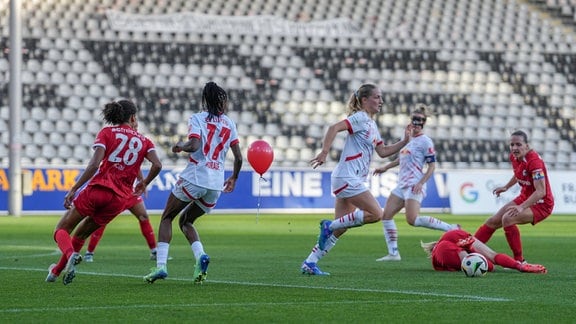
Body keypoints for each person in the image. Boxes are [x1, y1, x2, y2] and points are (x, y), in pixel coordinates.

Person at [45, 99, 162, 285]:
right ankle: (56, 271)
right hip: (119, 199)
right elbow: (157, 165)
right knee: (81, 235)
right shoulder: (144, 141)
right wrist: (144, 182)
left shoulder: (107, 132)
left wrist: (74, 188)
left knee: (61, 230)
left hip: (98, 189)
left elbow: (94, 165)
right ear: (133, 118)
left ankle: (70, 255)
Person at [301, 83, 411, 276]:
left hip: (348, 178)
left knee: (341, 227)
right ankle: (329, 226)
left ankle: (310, 262)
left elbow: (383, 151)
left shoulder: (371, 124)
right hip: (348, 177)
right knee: (377, 214)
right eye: (377, 97)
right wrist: (325, 152)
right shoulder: (359, 118)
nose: (381, 101)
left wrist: (404, 142)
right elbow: (334, 127)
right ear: (364, 100)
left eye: (381, 97)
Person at [144, 81, 242, 284]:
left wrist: (182, 145)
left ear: (206, 100)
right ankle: (200, 257)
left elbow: (195, 143)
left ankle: (161, 266)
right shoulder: (230, 124)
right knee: (186, 221)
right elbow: (239, 158)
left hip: (196, 177)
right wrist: (233, 178)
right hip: (216, 184)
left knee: (167, 217)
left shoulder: (197, 118)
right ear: (221, 102)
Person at [374, 104, 459, 262]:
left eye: (421, 120)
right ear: (410, 120)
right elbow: (402, 158)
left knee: (412, 220)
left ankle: (451, 228)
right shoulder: (407, 139)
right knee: (386, 216)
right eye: (415, 119)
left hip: (414, 184)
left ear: (424, 123)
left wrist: (421, 182)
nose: (417, 122)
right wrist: (385, 167)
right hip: (402, 185)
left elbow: (432, 166)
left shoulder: (426, 142)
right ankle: (393, 253)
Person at [474, 130, 554, 262]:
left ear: (527, 146)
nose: (514, 148)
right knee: (492, 221)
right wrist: (506, 187)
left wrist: (521, 207)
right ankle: (469, 249)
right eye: (512, 145)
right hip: (525, 197)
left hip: (541, 204)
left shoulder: (534, 162)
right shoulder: (515, 157)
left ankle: (519, 260)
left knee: (507, 219)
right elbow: (519, 173)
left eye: (518, 144)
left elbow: (541, 191)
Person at [420, 228, 547, 273]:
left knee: (489, 267)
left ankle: (471, 251)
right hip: (456, 233)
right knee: (492, 256)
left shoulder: (439, 254)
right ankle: (520, 266)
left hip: (446, 248)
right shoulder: (443, 244)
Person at [83, 194, 157, 263]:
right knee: (102, 220)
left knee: (143, 217)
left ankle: (154, 252)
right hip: (117, 193)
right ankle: (89, 253)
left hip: (131, 193)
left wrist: (142, 183)